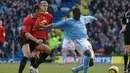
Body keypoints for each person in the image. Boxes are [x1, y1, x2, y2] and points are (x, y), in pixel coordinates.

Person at [40, 7, 97, 73]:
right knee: (87, 52)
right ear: (73, 14)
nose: (79, 16)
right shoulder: (68, 22)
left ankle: (76, 70)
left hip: (86, 40)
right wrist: (43, 28)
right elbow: (55, 25)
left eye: (80, 14)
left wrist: (94, 18)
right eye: (77, 14)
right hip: (78, 41)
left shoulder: (82, 18)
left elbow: (89, 18)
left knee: (91, 63)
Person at [18, 4, 51, 73]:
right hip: (25, 38)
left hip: (32, 39)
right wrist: (36, 40)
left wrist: (48, 26)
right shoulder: (28, 19)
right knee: (27, 54)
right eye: (41, 10)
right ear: (36, 10)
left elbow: (38, 26)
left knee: (48, 50)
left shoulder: (38, 18)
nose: (43, 12)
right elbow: (26, 33)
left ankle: (34, 67)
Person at [30, 1, 53, 73]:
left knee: (43, 53)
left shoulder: (50, 16)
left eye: (46, 6)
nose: (45, 7)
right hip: (35, 35)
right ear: (40, 6)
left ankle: (34, 67)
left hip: (44, 36)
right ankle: (32, 68)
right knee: (34, 52)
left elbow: (50, 26)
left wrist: (49, 29)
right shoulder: (37, 15)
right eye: (43, 5)